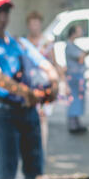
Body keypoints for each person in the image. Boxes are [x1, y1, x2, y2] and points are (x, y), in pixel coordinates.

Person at [0, 0, 58, 179]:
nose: (2, 17)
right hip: (3, 112)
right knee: (7, 173)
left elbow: (43, 63)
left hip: (28, 111)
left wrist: (55, 83)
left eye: (5, 11)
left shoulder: (19, 43)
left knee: (35, 171)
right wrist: (26, 92)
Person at [26, 11, 62, 156]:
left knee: (42, 118)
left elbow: (55, 63)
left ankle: (41, 150)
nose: (34, 26)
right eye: (32, 23)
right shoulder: (24, 43)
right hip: (29, 85)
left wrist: (60, 82)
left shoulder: (47, 43)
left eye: (37, 23)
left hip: (45, 85)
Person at [65, 25, 89, 133]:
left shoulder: (73, 45)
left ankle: (76, 123)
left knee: (78, 100)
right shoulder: (70, 46)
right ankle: (73, 125)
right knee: (74, 100)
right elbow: (81, 57)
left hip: (77, 76)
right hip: (74, 77)